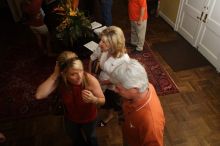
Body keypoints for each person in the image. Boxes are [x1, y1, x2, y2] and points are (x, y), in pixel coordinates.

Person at [36, 51, 105, 146]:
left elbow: (102, 100)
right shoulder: (60, 80)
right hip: (71, 119)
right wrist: (55, 75)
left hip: (89, 119)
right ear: (63, 74)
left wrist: (94, 99)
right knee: (76, 139)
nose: (79, 77)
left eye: (80, 70)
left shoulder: (90, 80)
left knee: (91, 138)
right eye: (73, 74)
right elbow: (39, 95)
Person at [110, 59, 165, 146]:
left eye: (118, 88)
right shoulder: (147, 86)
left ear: (134, 89)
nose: (114, 89)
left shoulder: (151, 124)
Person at [89, 26, 130, 127]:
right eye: (100, 40)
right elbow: (93, 58)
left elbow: (119, 79)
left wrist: (102, 83)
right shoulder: (102, 48)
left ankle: (110, 115)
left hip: (113, 86)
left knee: (111, 100)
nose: (99, 44)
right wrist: (91, 75)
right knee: (101, 99)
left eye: (103, 42)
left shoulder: (124, 60)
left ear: (113, 44)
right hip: (102, 78)